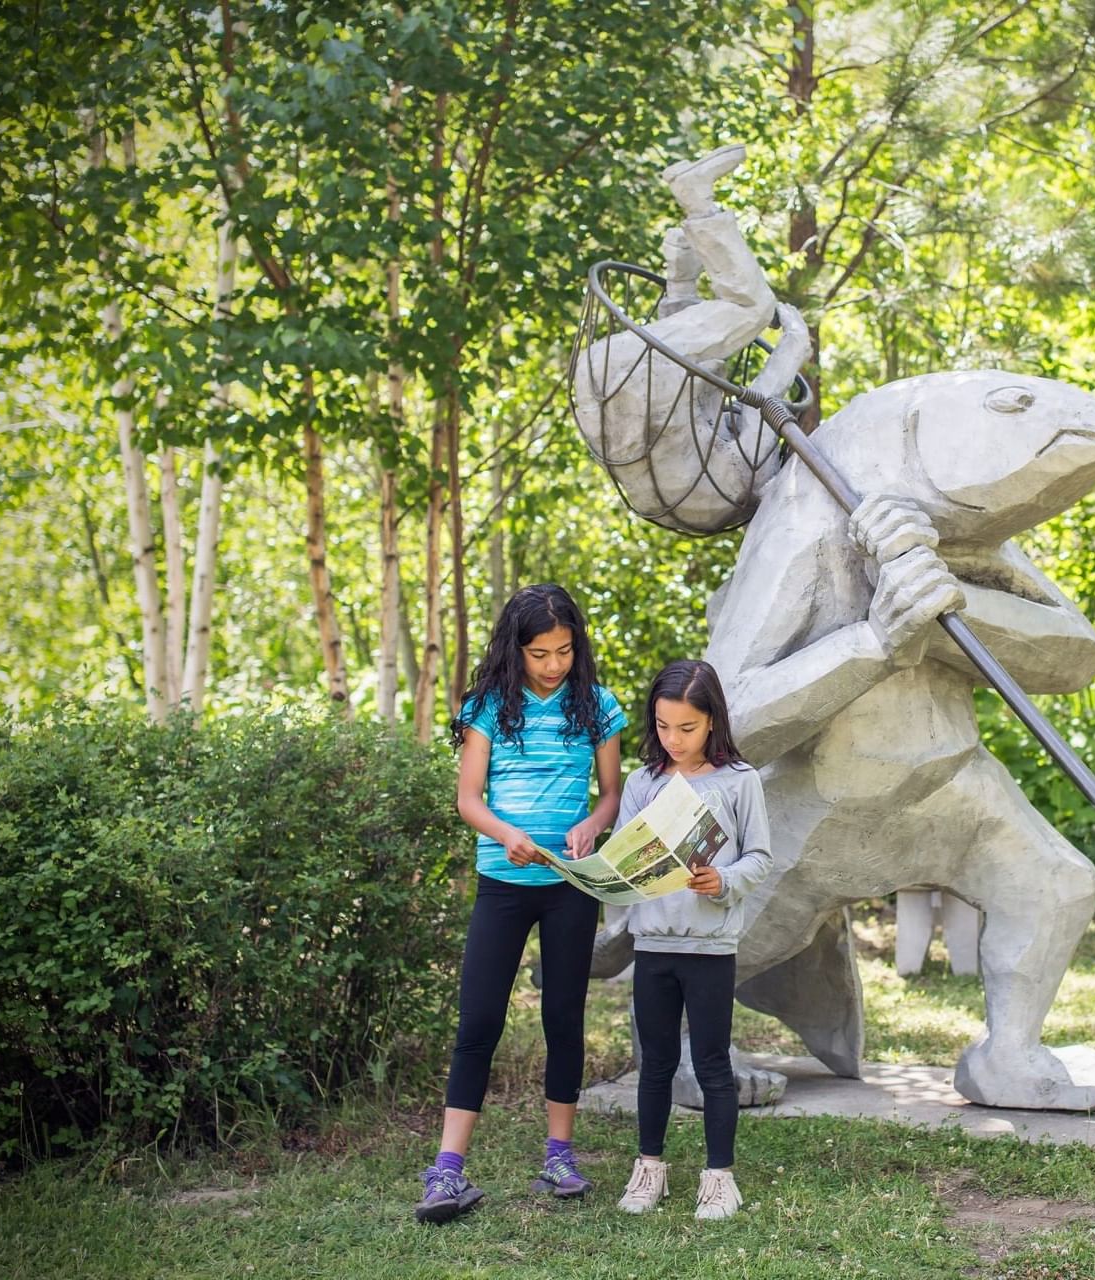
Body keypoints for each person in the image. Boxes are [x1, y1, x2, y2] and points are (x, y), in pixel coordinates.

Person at [413, 584, 627, 1225]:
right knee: (478, 1020)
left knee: (564, 1018)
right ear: (517, 648)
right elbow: (468, 800)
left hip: (569, 886)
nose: (554, 664)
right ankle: (447, 1171)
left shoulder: (597, 706)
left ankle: (559, 1156)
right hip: (503, 886)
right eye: (540, 654)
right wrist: (507, 834)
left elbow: (612, 792)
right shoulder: (484, 708)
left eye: (564, 651)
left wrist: (593, 824)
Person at [572, 142, 811, 534]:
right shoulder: (695, 488)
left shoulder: (739, 483)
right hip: (604, 382)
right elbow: (681, 377)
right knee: (710, 336)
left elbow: (760, 405)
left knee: (752, 309)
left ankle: (698, 200)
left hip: (632, 382)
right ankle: (690, 223)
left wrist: (792, 348)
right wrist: (680, 280)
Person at [613, 660, 772, 1220]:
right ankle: (648, 1171)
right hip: (652, 945)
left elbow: (759, 857)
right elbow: (623, 855)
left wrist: (722, 879)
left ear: (712, 722)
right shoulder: (642, 783)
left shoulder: (739, 781)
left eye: (686, 728)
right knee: (655, 1064)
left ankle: (718, 1177)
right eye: (662, 726)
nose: (673, 739)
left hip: (709, 949)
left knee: (711, 1064)